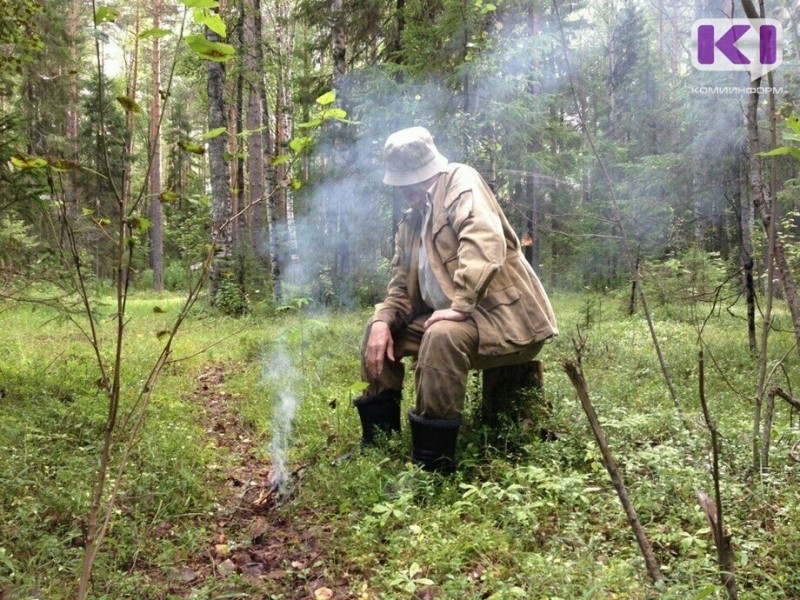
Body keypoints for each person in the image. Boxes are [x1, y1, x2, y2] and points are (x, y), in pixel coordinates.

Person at [353, 126, 558, 473]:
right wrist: (381, 322)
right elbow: (400, 289)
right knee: (379, 335)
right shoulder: (410, 222)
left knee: (441, 336)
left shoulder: (462, 182)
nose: (403, 190)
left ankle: (432, 466)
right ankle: (379, 443)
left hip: (506, 322)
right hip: (457, 319)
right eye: (400, 182)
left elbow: (484, 244)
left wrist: (459, 306)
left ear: (425, 172)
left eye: (407, 181)